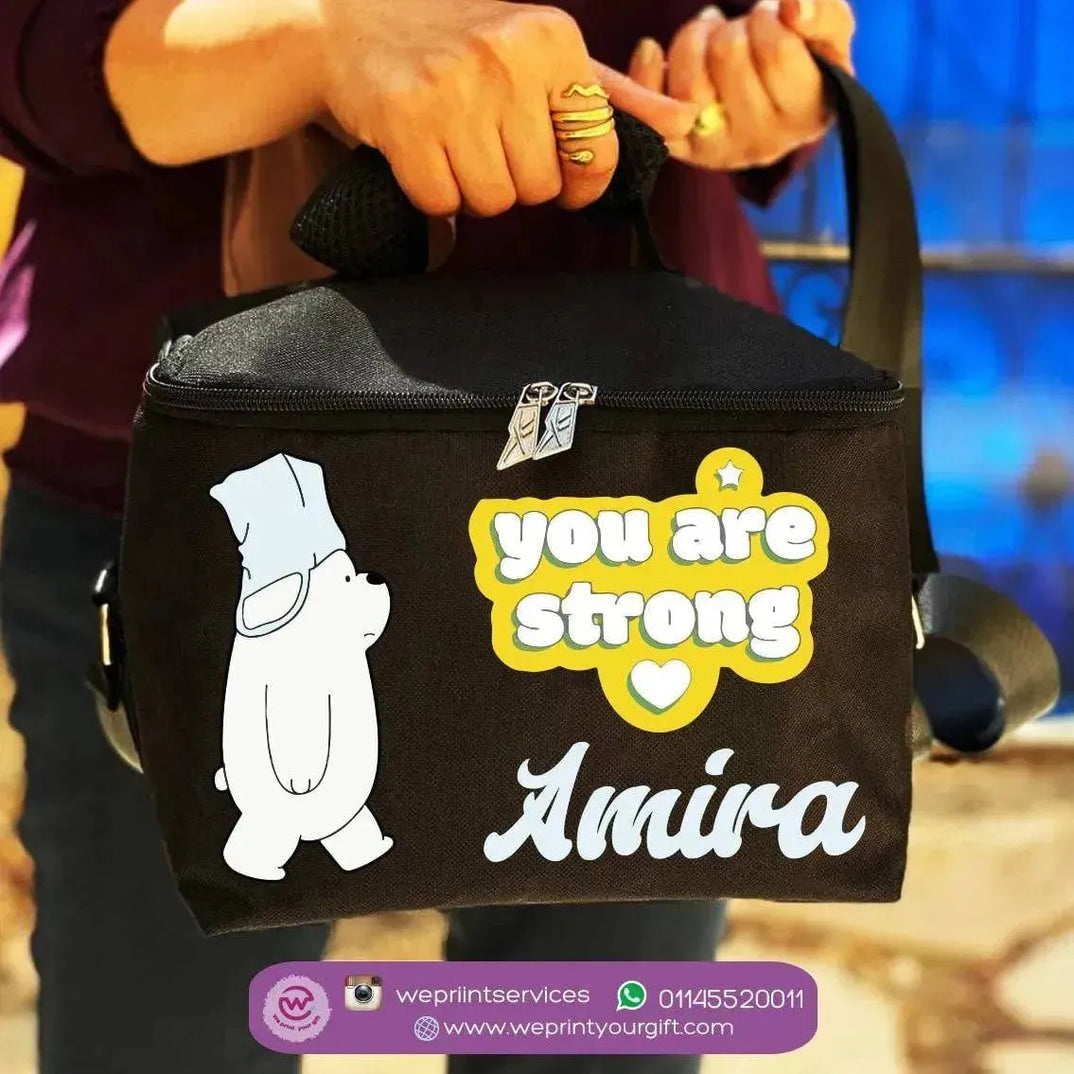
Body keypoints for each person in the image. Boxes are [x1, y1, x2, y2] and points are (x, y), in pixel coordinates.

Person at [0, 0, 854, 1071]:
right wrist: (319, 42)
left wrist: (759, 79)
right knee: (169, 1042)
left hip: (629, 511)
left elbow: (738, 44)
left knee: (594, 1047)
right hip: (204, 490)